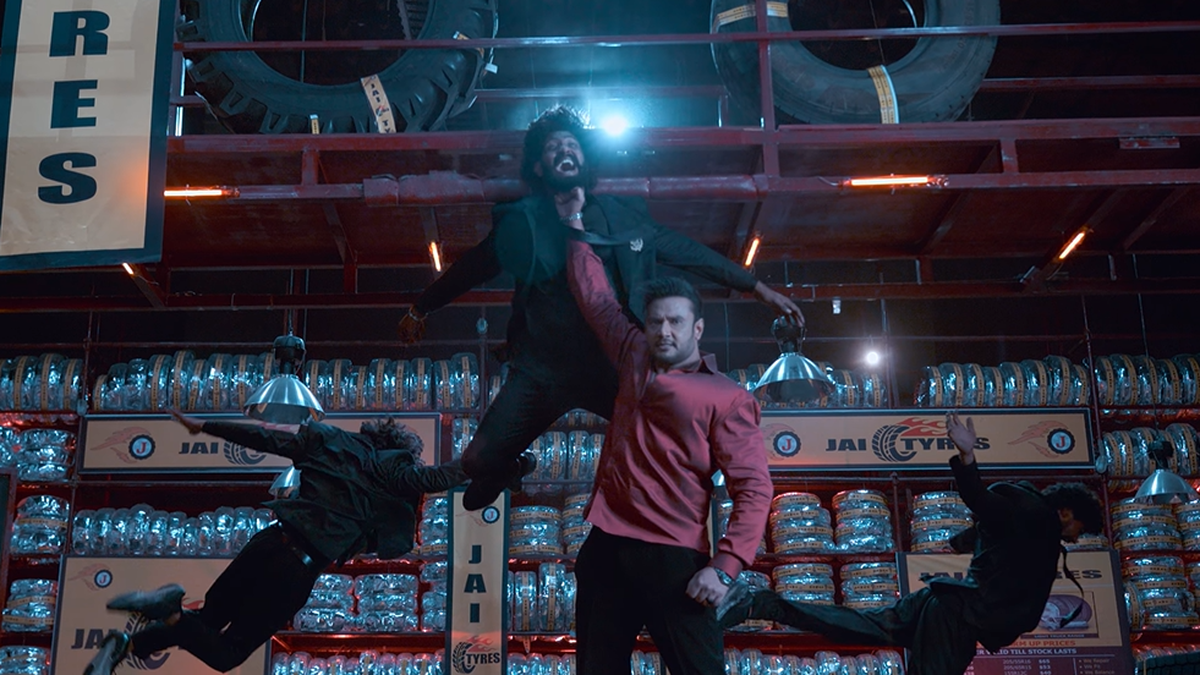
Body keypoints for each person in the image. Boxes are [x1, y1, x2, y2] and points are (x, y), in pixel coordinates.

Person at [397, 105, 802, 510]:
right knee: (476, 460)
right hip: (541, 372)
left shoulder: (623, 217)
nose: (564, 149)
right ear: (539, 166)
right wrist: (422, 307)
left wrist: (757, 288)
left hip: (611, 367)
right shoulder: (521, 224)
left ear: (584, 160)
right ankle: (514, 468)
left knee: (668, 443)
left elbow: (687, 252)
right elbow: (473, 267)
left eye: (571, 144)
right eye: (553, 146)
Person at [84, 410, 526, 675]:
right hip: (295, 567)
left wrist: (205, 426)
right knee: (228, 654)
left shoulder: (328, 442)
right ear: (400, 451)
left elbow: (267, 438)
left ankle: (125, 646)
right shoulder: (395, 471)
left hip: (267, 542)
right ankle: (170, 610)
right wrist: (497, 460)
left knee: (210, 619)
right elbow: (438, 477)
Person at [718, 412, 1105, 675]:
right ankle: (760, 603)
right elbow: (983, 503)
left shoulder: (1025, 524)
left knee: (859, 625)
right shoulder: (1037, 518)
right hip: (956, 617)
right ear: (1066, 513)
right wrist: (967, 456)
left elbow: (991, 526)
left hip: (943, 603)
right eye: (1080, 529)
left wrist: (956, 543)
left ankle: (759, 603)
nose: (1076, 538)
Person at [562, 229, 774, 674]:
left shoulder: (728, 398)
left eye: (676, 322)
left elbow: (754, 489)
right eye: (656, 322)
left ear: (697, 329)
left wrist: (726, 566)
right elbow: (597, 300)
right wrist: (575, 230)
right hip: (606, 547)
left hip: (672, 559)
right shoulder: (633, 354)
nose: (664, 331)